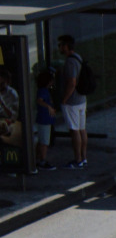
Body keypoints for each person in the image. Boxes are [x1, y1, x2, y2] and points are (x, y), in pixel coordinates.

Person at [57, 34, 88, 169]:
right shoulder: (78, 57)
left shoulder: (69, 62)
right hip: (82, 99)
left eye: (60, 45)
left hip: (72, 101)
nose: (59, 48)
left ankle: (78, 159)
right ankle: (84, 157)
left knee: (74, 130)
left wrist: (64, 99)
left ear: (66, 46)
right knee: (82, 129)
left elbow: (72, 82)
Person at [34, 70, 57, 170]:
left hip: (45, 119)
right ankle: (42, 160)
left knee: (41, 140)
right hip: (44, 120)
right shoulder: (43, 91)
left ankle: (38, 158)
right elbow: (39, 101)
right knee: (44, 142)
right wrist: (49, 107)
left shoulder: (43, 90)